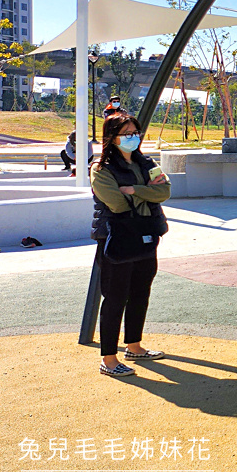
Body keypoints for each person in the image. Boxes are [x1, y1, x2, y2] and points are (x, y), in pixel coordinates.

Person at [90, 112, 171, 377]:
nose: (133, 138)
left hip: (146, 234)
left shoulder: (146, 162)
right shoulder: (101, 168)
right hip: (117, 237)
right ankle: (109, 359)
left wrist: (135, 190)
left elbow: (165, 191)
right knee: (115, 298)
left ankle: (134, 346)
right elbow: (116, 202)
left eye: (135, 132)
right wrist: (147, 191)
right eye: (126, 134)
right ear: (111, 137)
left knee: (140, 292)